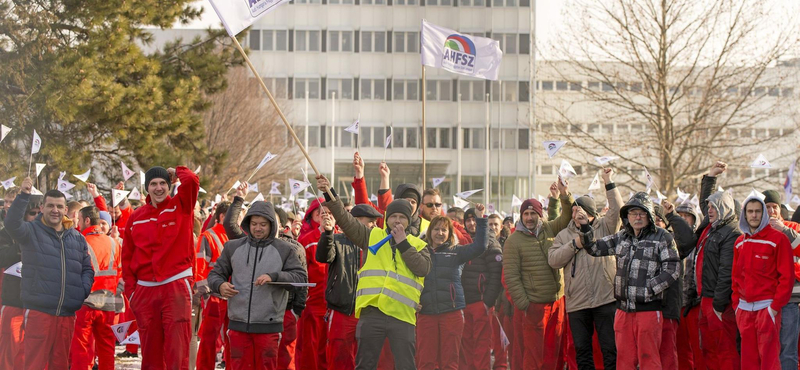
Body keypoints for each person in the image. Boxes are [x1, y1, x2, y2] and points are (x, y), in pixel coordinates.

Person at [317, 174, 431, 370]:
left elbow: (422, 268)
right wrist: (330, 193)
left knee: (406, 365)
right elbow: (346, 221)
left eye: (402, 217)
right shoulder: (372, 236)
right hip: (372, 314)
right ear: (386, 219)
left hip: (402, 316)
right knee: (365, 364)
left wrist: (403, 244)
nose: (397, 221)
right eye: (393, 216)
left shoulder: (418, 244)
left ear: (408, 220)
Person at [576, 192, 681, 370]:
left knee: (649, 359)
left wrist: (649, 288)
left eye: (641, 213)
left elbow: (672, 268)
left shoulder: (663, 237)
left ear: (649, 215)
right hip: (623, 310)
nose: (637, 217)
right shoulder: (621, 237)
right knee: (624, 360)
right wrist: (586, 227)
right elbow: (593, 248)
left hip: (649, 310)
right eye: (633, 213)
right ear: (627, 216)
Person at [4, 178, 94, 370]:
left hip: (67, 314)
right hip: (39, 312)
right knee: (34, 364)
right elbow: (11, 223)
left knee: (60, 364)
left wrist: (81, 291)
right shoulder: (31, 231)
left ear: (65, 210)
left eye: (59, 206)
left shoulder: (76, 238)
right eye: (50, 205)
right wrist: (23, 196)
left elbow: (87, 268)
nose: (55, 210)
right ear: (42, 207)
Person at [208, 200, 308, 370]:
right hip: (238, 325)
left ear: (272, 225)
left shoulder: (285, 249)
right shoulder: (233, 247)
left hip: (269, 326)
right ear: (247, 224)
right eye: (254, 224)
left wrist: (274, 276)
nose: (258, 228)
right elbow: (215, 274)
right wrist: (220, 285)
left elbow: (300, 278)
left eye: (263, 224)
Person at [122, 166, 199, 369]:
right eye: (153, 184)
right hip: (145, 291)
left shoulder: (181, 205)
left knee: (177, 350)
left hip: (175, 286)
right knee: (150, 354)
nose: (158, 188)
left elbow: (191, 180)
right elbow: (127, 258)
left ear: (170, 184)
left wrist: (176, 171)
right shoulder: (136, 217)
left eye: (163, 183)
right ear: (147, 188)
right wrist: (132, 294)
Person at [548, 168, 622, 370]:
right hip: (577, 302)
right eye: (573, 210)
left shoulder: (605, 228)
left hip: (605, 298)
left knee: (610, 348)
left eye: (580, 210)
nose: (575, 213)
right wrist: (575, 244)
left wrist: (609, 182)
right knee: (582, 350)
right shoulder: (564, 235)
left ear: (590, 213)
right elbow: (553, 259)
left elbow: (617, 210)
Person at [503, 179, 573, 370]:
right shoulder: (513, 241)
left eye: (533, 213)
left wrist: (564, 195)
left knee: (554, 353)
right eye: (525, 213)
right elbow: (511, 276)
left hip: (557, 302)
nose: (529, 217)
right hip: (534, 306)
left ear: (540, 215)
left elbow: (567, 218)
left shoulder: (549, 229)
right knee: (534, 356)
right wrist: (525, 304)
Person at [417, 207, 488, 370]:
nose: (440, 233)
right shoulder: (420, 252)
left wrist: (480, 219)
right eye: (436, 229)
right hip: (426, 313)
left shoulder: (456, 252)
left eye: (444, 230)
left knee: (449, 362)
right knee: (425, 361)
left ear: (450, 234)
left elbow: (480, 247)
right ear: (429, 232)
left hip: (452, 312)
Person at [689, 162, 743, 370]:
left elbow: (726, 271)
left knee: (725, 349)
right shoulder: (711, 227)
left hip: (719, 302)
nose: (708, 210)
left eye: (713, 207)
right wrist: (711, 176)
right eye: (708, 207)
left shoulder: (731, 233)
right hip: (705, 300)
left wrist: (719, 305)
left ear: (725, 209)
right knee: (709, 348)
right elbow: (705, 202)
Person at [317, 204, 383, 370]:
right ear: (354, 222)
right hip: (342, 310)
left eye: (375, 222)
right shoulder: (336, 240)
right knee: (339, 358)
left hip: (369, 312)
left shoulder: (379, 245)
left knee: (367, 360)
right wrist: (327, 234)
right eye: (370, 222)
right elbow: (323, 256)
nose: (374, 225)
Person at [732, 192, 794, 370]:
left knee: (769, 359)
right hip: (744, 310)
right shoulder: (739, 242)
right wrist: (737, 306)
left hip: (767, 309)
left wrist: (773, 308)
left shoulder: (778, 239)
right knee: (748, 360)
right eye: (750, 211)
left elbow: (787, 277)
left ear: (764, 214)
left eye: (757, 211)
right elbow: (735, 277)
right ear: (744, 214)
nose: (753, 215)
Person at [70, 206, 122, 370]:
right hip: (108, 302)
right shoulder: (113, 243)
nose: (78, 223)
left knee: (82, 348)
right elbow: (119, 272)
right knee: (107, 348)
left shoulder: (80, 242)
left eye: (79, 220)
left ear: (86, 220)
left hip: (85, 303)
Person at [0, 194, 40, 368]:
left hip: (39, 303)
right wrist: (23, 245)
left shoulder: (50, 234)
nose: (37, 217)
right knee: (10, 350)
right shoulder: (7, 232)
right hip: (13, 300)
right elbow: (2, 257)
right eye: (32, 213)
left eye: (40, 213)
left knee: (31, 353)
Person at [459, 207, 502, 370]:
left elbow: (496, 273)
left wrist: (487, 301)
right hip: (463, 303)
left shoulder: (490, 241)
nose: (471, 223)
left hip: (481, 302)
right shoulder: (462, 241)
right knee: (466, 346)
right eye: (468, 220)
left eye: (474, 219)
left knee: (482, 345)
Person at [762, 189, 800, 370]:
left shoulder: (793, 227)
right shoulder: (756, 230)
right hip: (764, 299)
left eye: (774, 207)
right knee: (767, 348)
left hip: (790, 299)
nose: (771, 211)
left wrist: (783, 230)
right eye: (767, 207)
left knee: (787, 350)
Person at [195, 201, 232, 370]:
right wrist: (207, 295)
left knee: (233, 339)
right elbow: (200, 267)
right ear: (223, 216)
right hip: (215, 297)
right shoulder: (208, 236)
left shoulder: (237, 235)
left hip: (233, 296)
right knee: (209, 339)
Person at [296, 197, 331, 370]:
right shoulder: (306, 240)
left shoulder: (341, 238)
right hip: (313, 304)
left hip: (335, 305)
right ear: (314, 215)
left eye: (332, 213)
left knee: (330, 350)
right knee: (310, 348)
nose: (328, 217)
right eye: (324, 213)